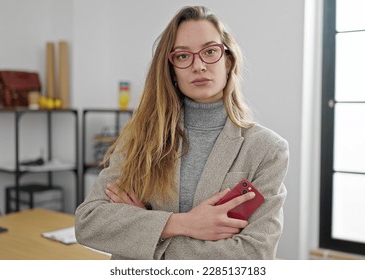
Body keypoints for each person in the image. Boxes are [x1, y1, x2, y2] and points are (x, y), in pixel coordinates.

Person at [75, 5, 288, 260]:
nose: (198, 66)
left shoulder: (267, 149)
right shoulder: (139, 137)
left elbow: (253, 255)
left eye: (210, 51)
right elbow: (89, 223)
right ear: (172, 69)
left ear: (228, 60)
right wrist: (181, 224)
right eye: (183, 56)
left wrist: (144, 230)